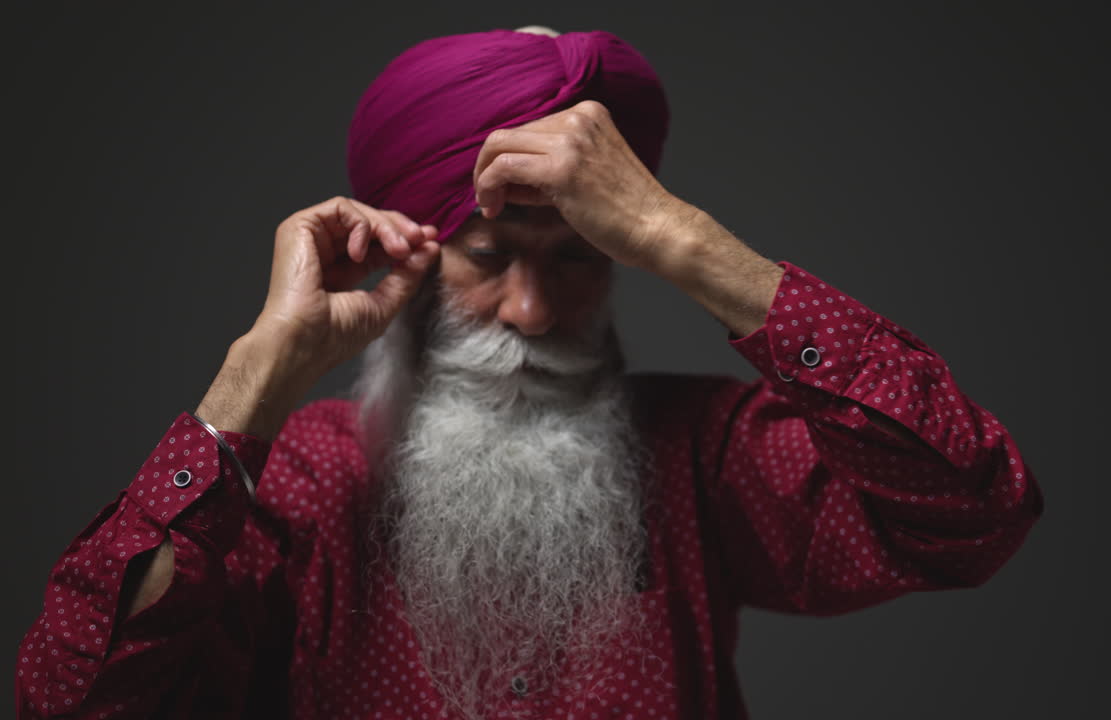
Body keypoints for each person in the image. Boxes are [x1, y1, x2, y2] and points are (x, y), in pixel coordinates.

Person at [15, 26, 1044, 720]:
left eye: (577, 261)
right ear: (408, 258)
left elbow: (974, 506)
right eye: (484, 260)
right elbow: (71, 696)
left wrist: (688, 243)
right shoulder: (307, 480)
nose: (531, 312)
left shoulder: (703, 454)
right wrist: (254, 375)